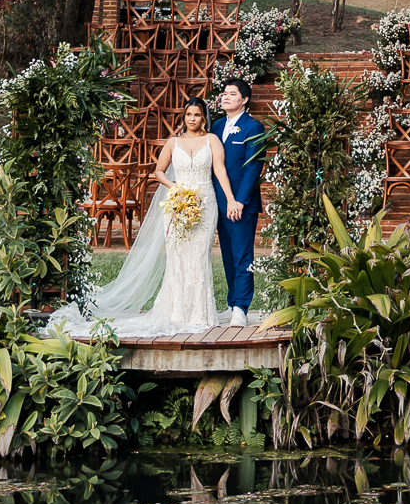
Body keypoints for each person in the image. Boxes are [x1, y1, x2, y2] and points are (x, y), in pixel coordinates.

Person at [46, 98, 244, 338]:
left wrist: (230, 199)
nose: (192, 119)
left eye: (197, 115)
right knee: (177, 256)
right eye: (189, 114)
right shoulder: (173, 142)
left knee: (200, 255)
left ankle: (200, 313)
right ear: (184, 117)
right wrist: (174, 187)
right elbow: (159, 171)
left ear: (204, 118)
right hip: (177, 203)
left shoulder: (212, 140)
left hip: (205, 203)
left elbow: (220, 171)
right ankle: (176, 311)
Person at [213, 78, 267, 323]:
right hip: (219, 201)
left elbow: (253, 168)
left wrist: (239, 202)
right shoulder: (215, 126)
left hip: (241, 204)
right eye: (224, 93)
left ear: (244, 100)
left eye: (232, 94)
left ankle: (241, 308)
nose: (225, 97)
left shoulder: (253, 127)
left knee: (242, 255)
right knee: (227, 255)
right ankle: (231, 301)